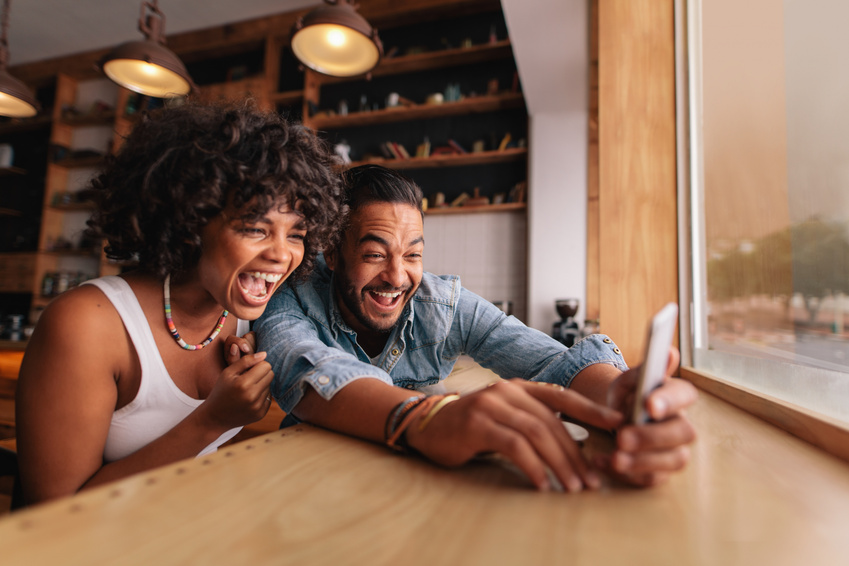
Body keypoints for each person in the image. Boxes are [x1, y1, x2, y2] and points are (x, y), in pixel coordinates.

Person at [255, 164, 698, 493]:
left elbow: (555, 363)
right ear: (333, 254)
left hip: (414, 489)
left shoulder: (441, 305)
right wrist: (429, 416)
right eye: (375, 254)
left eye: (412, 255)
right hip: (309, 489)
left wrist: (614, 399)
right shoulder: (290, 292)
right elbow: (307, 369)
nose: (396, 276)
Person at [15, 101, 344, 505]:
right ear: (191, 220)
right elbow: (53, 512)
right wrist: (212, 420)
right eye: (256, 228)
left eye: (296, 234)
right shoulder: (88, 325)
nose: (281, 254)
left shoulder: (253, 318)